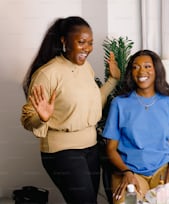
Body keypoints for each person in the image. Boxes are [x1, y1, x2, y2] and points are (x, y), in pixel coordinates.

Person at [20, 16, 120, 204]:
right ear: (64, 41)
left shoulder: (86, 68)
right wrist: (42, 118)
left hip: (90, 148)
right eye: (81, 42)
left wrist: (112, 80)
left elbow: (91, 104)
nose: (87, 49)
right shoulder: (47, 74)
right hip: (63, 151)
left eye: (90, 43)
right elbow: (28, 119)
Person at [102, 49, 169, 203]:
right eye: (136, 67)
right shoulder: (119, 104)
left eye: (147, 66)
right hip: (130, 172)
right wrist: (126, 172)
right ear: (131, 73)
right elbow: (111, 149)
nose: (141, 71)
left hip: (162, 170)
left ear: (156, 70)